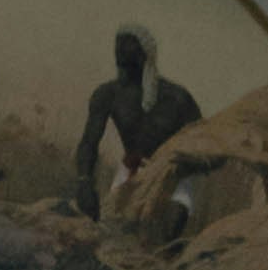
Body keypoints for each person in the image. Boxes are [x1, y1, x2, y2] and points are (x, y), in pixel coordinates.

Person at [76, 22, 201, 222]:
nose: (120, 50)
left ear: (144, 54)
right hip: (129, 174)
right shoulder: (107, 94)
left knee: (170, 220)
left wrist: (171, 167)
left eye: (128, 46)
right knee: (114, 228)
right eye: (118, 46)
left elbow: (202, 144)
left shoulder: (177, 97)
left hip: (171, 178)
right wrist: (84, 181)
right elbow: (89, 142)